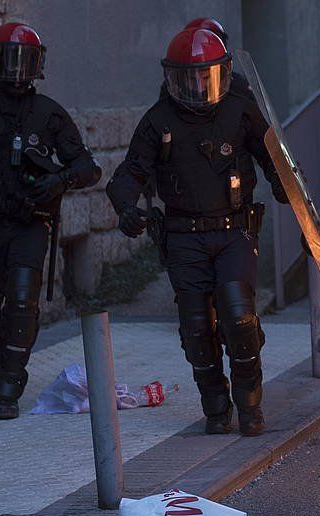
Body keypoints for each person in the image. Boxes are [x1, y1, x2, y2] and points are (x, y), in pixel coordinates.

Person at [106, 27, 289, 436]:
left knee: (239, 315)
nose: (195, 86)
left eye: (204, 76)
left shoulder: (239, 109)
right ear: (171, 78)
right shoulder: (158, 120)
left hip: (233, 229)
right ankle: (215, 404)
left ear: (221, 73)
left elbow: (272, 153)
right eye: (186, 78)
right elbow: (130, 171)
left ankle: (251, 403)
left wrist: (284, 186)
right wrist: (125, 208)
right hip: (183, 234)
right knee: (196, 325)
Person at [0, 22, 102, 419]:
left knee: (23, 299)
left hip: (30, 224)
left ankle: (9, 383)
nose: (14, 71)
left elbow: (88, 168)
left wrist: (59, 179)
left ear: (37, 65)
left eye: (23, 61)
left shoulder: (49, 114)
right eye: (6, 61)